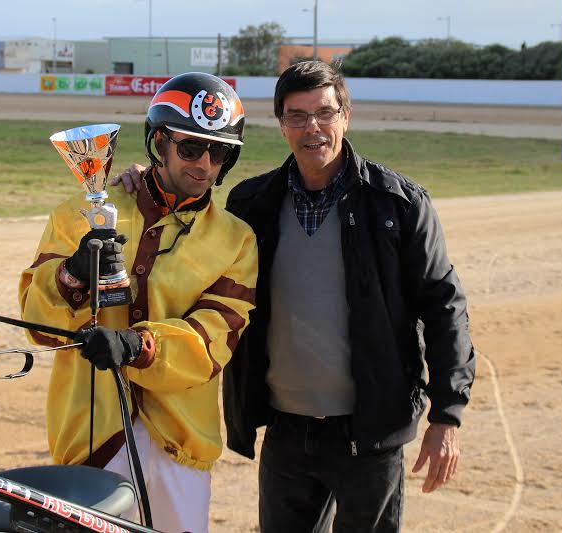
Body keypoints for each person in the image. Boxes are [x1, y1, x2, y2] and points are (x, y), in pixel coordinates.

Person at [114, 61, 475, 533]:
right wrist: (150, 177)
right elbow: (194, 218)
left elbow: (444, 306)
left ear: (346, 115)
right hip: (286, 432)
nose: (313, 128)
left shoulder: (399, 204)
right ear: (281, 123)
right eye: (297, 116)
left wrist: (447, 415)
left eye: (325, 113)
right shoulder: (251, 204)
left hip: (370, 435)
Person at [19, 72, 258, 533]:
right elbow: (38, 324)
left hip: (180, 443)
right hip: (91, 435)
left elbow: (217, 335)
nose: (204, 165)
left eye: (219, 151)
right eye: (190, 148)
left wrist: (139, 346)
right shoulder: (80, 214)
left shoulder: (237, 240)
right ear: (159, 143)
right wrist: (70, 273)